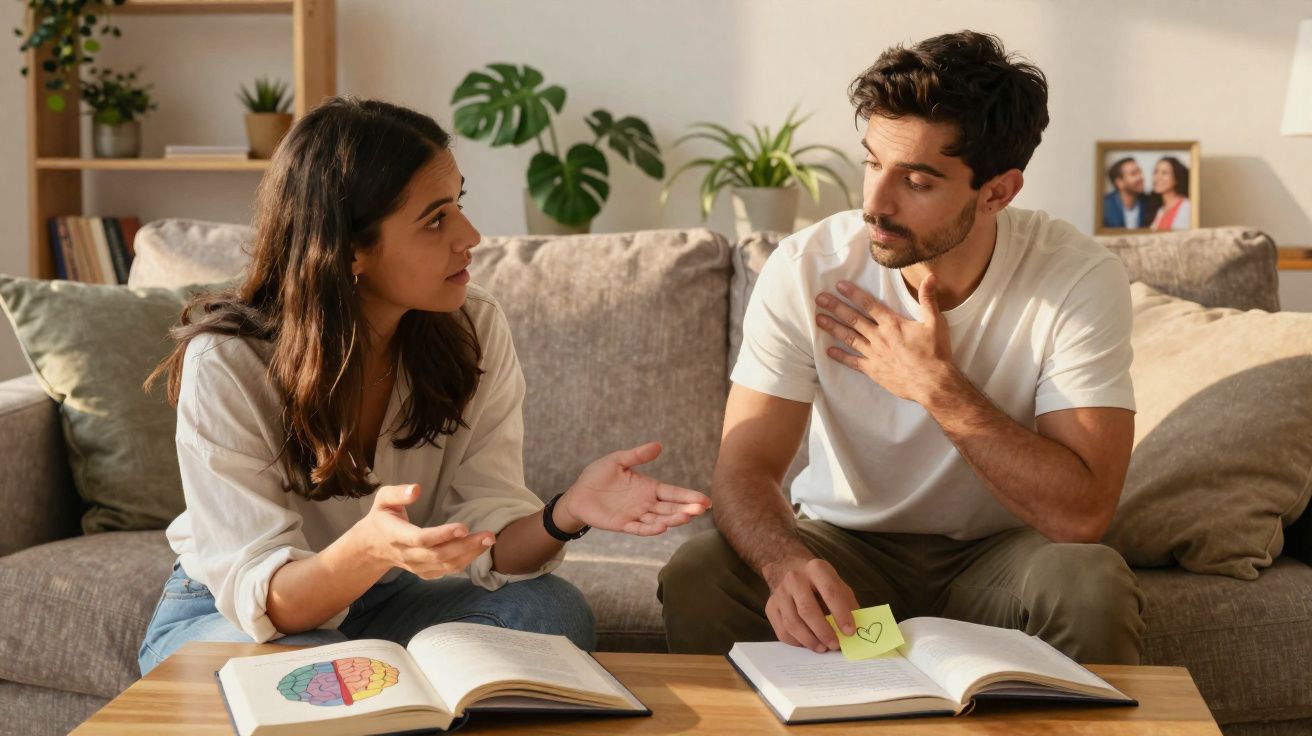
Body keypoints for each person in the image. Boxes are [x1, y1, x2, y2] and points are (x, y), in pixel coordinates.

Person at [137, 97, 711, 676]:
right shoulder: (228, 361)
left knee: (549, 612)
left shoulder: (472, 327)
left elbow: (490, 537)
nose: (471, 235)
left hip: (385, 598)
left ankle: (393, 695)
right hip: (240, 616)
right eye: (435, 219)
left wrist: (566, 511)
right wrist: (366, 549)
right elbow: (272, 601)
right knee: (314, 674)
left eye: (457, 204)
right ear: (351, 249)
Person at [659, 30, 1145, 665]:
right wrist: (785, 563)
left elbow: (1082, 516)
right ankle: (851, 674)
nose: (874, 204)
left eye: (916, 181)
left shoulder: (1076, 278)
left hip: (999, 562)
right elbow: (744, 469)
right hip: (848, 561)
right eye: (871, 163)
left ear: (997, 192)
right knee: (701, 573)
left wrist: (935, 386)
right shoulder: (809, 268)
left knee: (1089, 586)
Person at [1102, 157, 1157, 229]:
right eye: (1133, 174)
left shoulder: (1148, 203)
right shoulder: (1104, 207)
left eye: (1139, 171)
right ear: (1119, 183)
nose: (1140, 177)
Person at [1149, 156, 1192, 231]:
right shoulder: (1161, 211)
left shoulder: (1186, 206)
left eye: (1164, 173)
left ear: (1176, 178)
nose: (1157, 177)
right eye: (1156, 172)